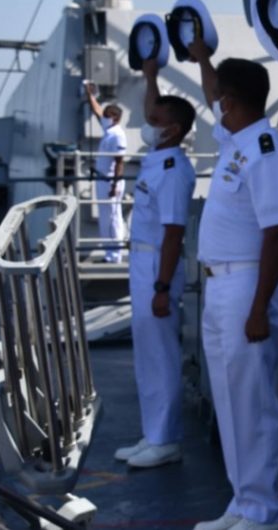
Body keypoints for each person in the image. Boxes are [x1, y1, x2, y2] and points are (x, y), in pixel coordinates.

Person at [187, 39, 278, 530]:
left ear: (230, 102)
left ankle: (264, 511)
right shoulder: (237, 140)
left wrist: (258, 308)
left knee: (252, 405)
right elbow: (214, 87)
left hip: (248, 286)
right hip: (222, 287)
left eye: (219, 99)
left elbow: (277, 233)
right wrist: (203, 60)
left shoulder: (264, 152)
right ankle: (243, 502)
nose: (215, 105)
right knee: (230, 402)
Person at [114, 58, 197, 468]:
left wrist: (163, 288)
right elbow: (153, 107)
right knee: (146, 353)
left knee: (161, 355)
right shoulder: (156, 157)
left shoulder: (173, 169)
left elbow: (174, 232)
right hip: (143, 264)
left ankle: (166, 440)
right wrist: (150, 77)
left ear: (173, 130)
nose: (148, 124)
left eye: (156, 121)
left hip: (156, 269)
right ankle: (153, 433)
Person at [85, 82, 127, 262]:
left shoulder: (117, 134)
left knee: (113, 218)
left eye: (108, 115)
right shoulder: (109, 130)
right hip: (102, 180)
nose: (105, 117)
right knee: (105, 218)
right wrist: (90, 95)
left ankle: (115, 255)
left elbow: (119, 162)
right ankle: (109, 253)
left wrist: (115, 185)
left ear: (116, 118)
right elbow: (97, 111)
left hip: (111, 181)